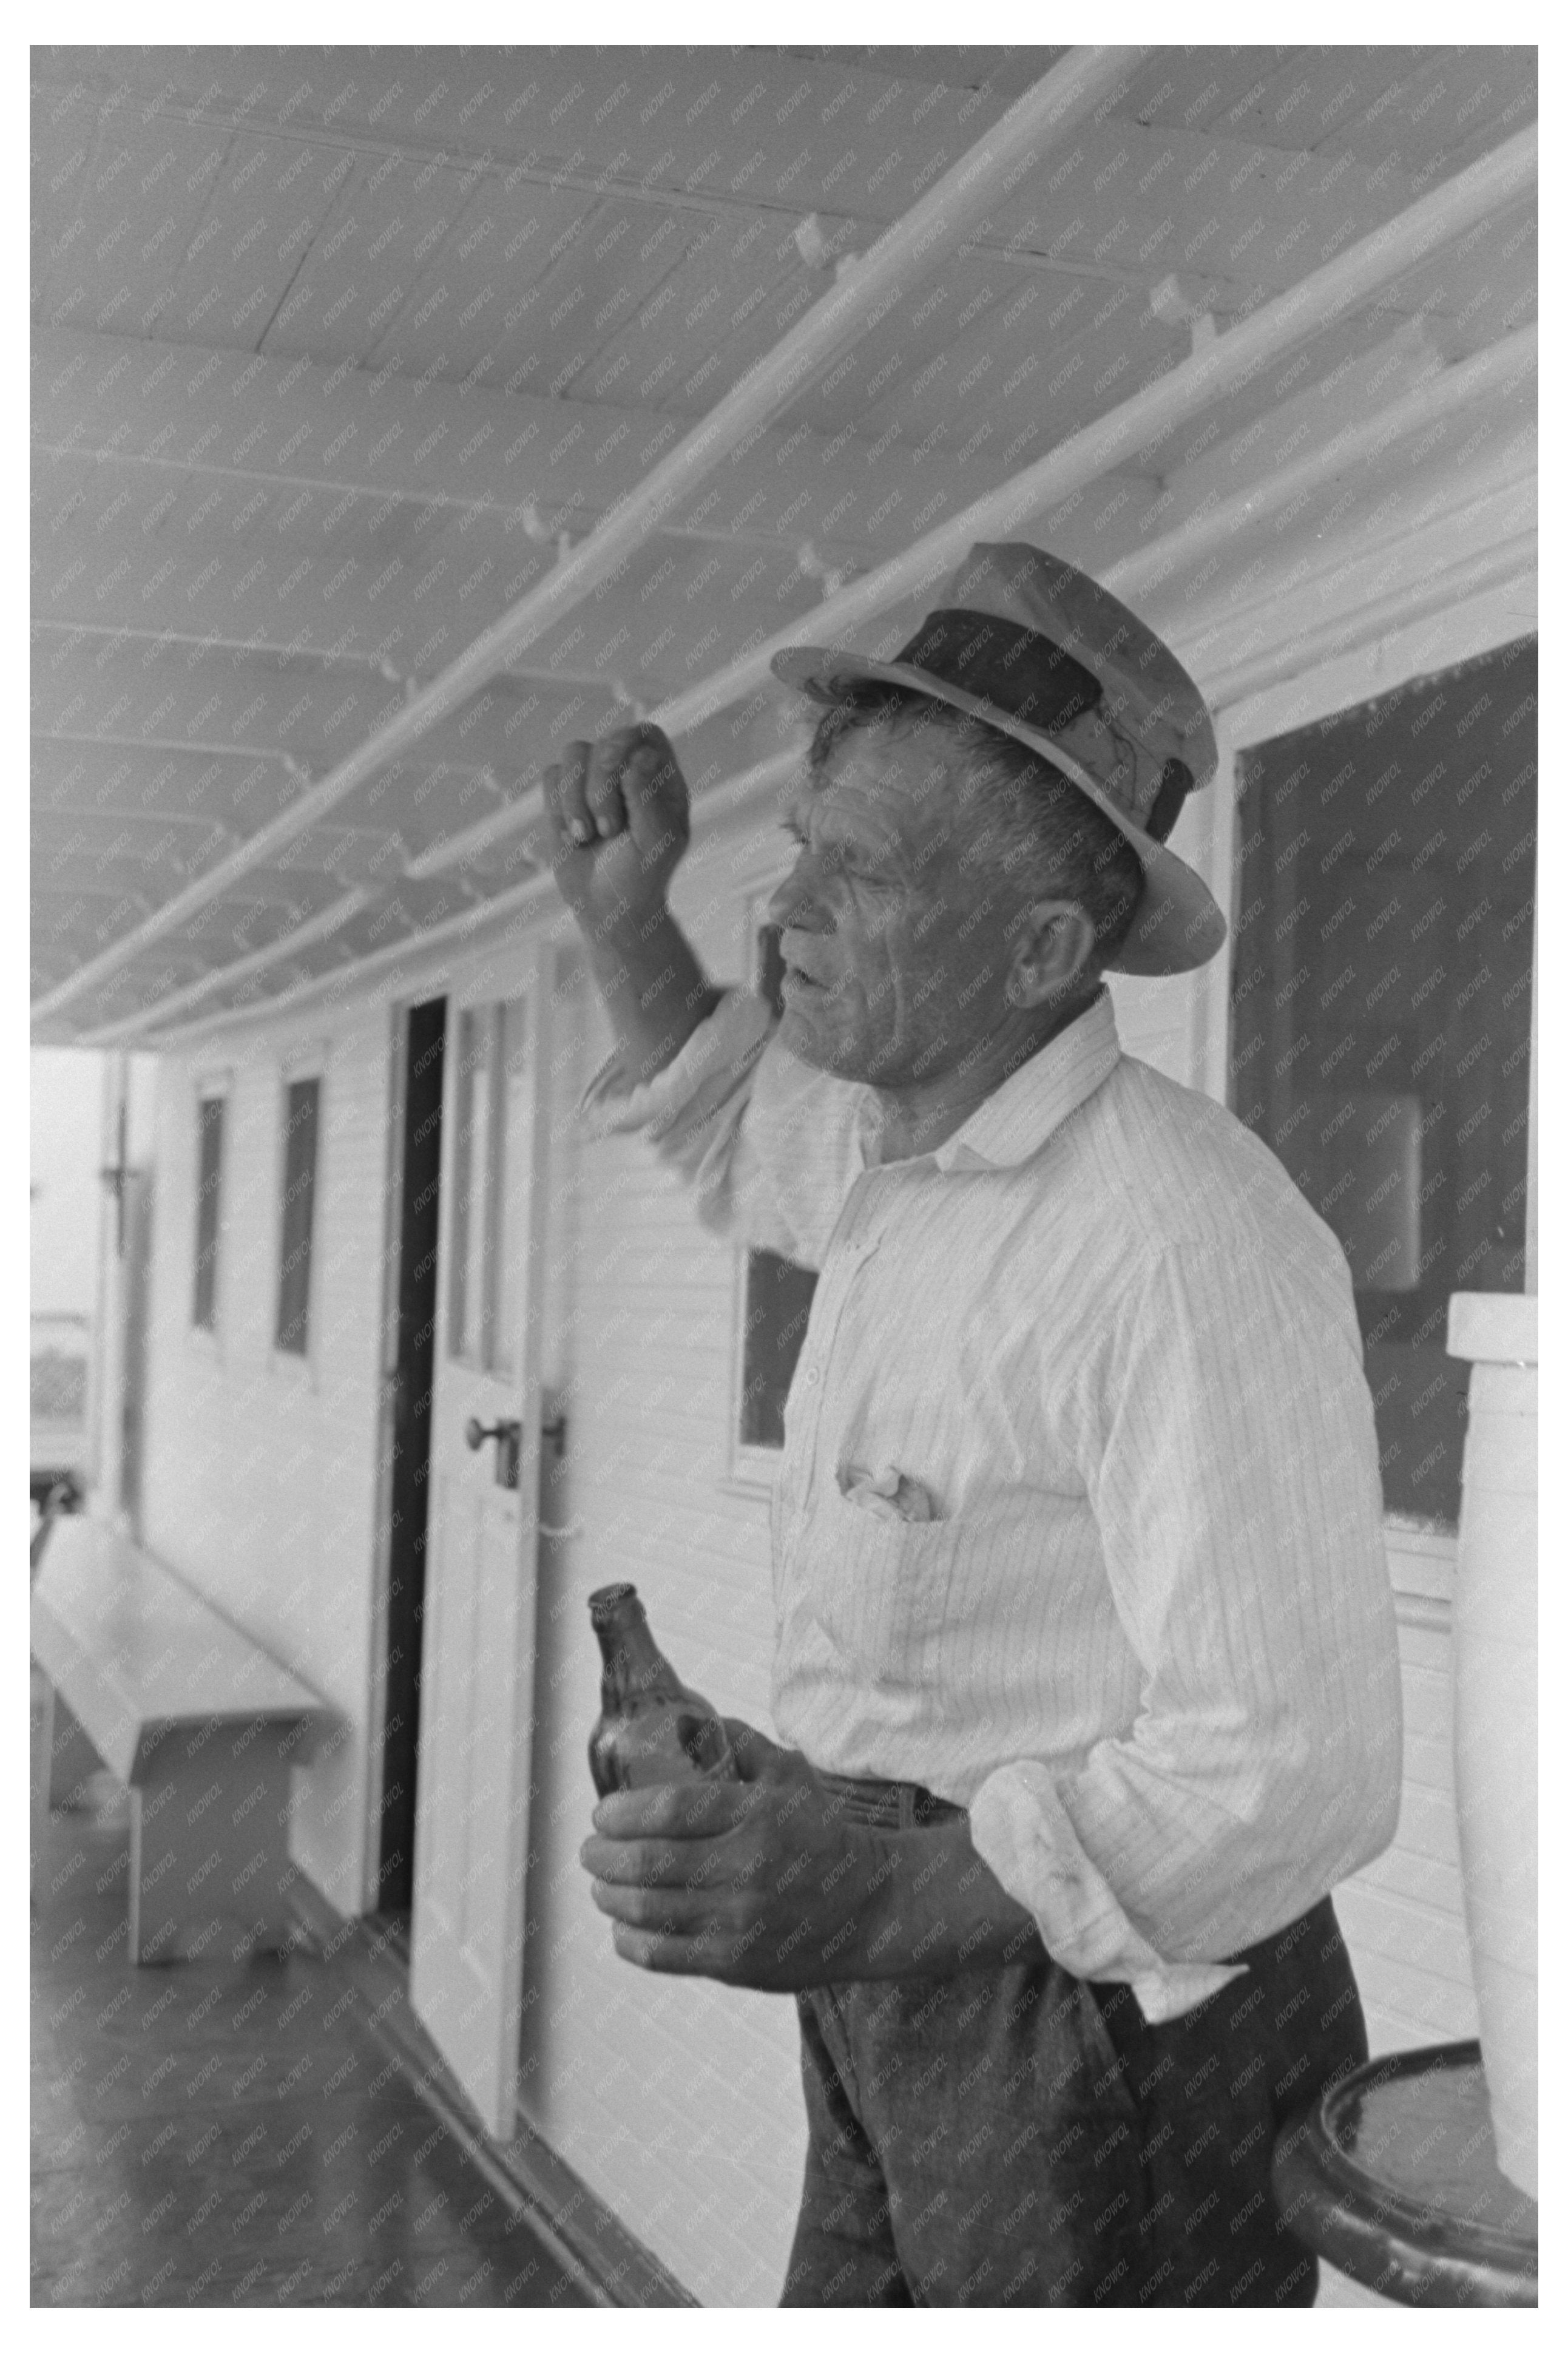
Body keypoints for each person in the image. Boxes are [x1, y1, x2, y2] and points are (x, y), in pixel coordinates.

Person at [550, 542, 1402, 2307]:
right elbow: (729, 1122)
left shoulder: (1181, 1239)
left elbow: (1289, 1765)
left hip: (1106, 2036)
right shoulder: (908, 1157)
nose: (781, 913)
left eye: (854, 873)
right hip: (906, 1975)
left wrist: (864, 1896)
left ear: (1041, 943)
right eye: (799, 849)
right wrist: (630, 924)